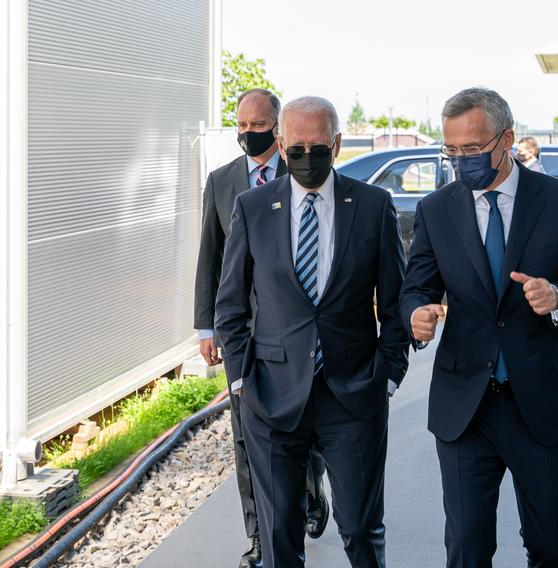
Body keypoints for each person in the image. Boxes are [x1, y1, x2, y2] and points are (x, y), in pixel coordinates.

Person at [399, 88, 558, 568]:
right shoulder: (436, 209)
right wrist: (416, 314)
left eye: (472, 150)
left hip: (543, 404)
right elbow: (415, 288)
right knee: (467, 552)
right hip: (464, 410)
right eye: (451, 151)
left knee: (552, 547)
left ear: (507, 139)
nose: (460, 161)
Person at [215, 96, 409, 568]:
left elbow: (396, 300)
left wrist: (388, 374)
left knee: (362, 529)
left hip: (354, 393)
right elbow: (231, 305)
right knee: (280, 536)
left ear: (337, 144)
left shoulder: (372, 206)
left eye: (318, 148)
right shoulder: (253, 206)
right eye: (296, 148)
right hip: (272, 397)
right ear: (281, 145)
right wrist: (243, 381)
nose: (306, 158)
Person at [193, 88, 328, 568]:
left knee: (302, 425)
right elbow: (210, 258)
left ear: (277, 127)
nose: (247, 134)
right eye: (241, 126)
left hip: (290, 334)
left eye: (256, 126)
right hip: (240, 333)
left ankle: (310, 492)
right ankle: (260, 540)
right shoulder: (222, 181)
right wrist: (206, 328)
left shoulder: (304, 172)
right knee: (247, 438)